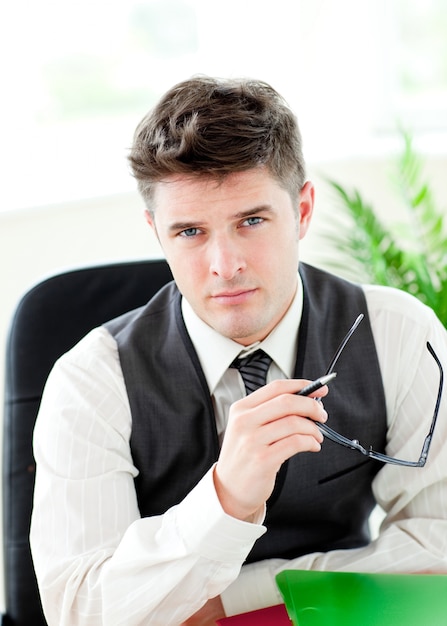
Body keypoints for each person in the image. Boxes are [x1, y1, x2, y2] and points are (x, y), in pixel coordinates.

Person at [30, 76, 447, 626]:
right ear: (156, 231)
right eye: (190, 232)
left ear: (301, 211)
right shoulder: (90, 381)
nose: (225, 265)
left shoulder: (396, 331)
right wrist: (226, 499)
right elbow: (79, 612)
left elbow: (439, 543)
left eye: (251, 221)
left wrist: (235, 595)